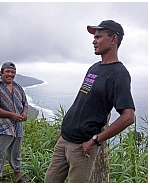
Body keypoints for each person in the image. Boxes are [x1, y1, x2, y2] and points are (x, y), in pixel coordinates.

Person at [44, 20, 135, 183]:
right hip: (64, 138)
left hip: (82, 147)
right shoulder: (94, 67)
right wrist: (65, 127)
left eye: (98, 37)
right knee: (49, 180)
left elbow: (128, 117)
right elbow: (83, 100)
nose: (94, 41)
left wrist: (95, 140)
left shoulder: (119, 74)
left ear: (114, 39)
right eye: (94, 37)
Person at [0, 61, 28, 183]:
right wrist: (11, 115)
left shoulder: (18, 87)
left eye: (13, 72)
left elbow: (25, 104)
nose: (10, 74)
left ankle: (17, 174)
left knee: (16, 153)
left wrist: (24, 114)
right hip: (3, 127)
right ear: (1, 73)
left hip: (17, 127)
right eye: (7, 72)